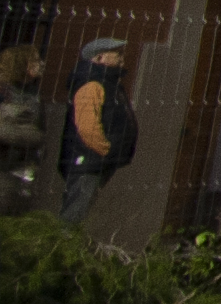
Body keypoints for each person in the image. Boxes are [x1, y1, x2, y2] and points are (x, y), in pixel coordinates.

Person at [57, 38, 135, 228]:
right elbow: (87, 126)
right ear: (100, 57)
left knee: (81, 211)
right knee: (74, 214)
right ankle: (62, 249)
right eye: (117, 54)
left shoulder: (109, 83)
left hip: (97, 161)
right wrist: (106, 150)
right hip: (88, 161)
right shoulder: (91, 84)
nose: (122, 58)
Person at [0, 43, 44, 217]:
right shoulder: (4, 92)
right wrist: (32, 136)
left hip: (21, 165)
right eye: (34, 60)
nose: (41, 63)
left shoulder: (32, 94)